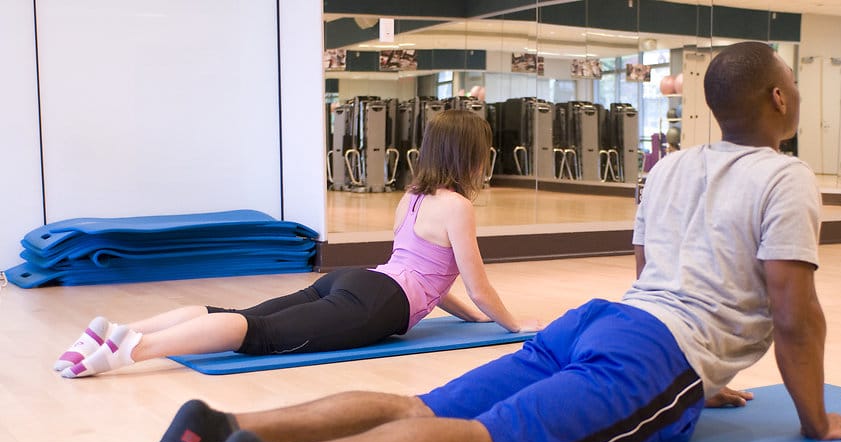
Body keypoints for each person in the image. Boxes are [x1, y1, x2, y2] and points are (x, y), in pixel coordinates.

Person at [131, 42, 841, 442]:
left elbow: (652, 274)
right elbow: (795, 315)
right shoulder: (786, 177)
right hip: (651, 353)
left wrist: (697, 375)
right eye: (795, 83)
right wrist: (812, 420)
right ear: (779, 99)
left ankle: (223, 425)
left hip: (599, 323)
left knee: (421, 409)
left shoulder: (671, 166)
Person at [55, 110, 537, 378]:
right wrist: (514, 325)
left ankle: (117, 330)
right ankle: (131, 350)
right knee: (257, 333)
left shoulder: (412, 197)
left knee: (240, 315)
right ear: (471, 157)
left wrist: (473, 318)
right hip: (376, 303)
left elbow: (426, 277)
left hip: (356, 282)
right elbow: (477, 286)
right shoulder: (458, 206)